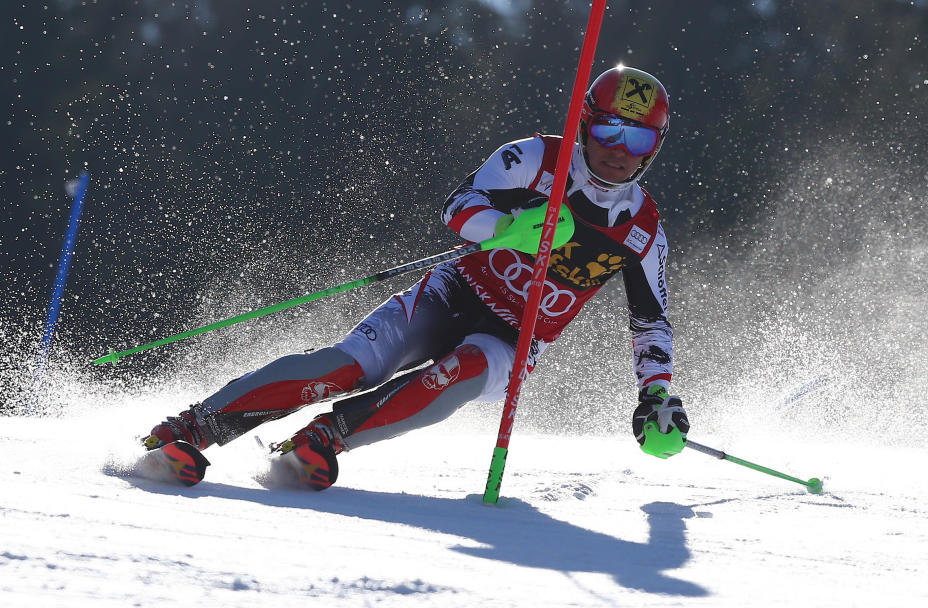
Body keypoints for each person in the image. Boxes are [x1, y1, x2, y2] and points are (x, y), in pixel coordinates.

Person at [144, 66, 690, 489]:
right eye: (608, 129)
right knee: (351, 366)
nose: (619, 151)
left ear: (656, 148)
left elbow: (650, 324)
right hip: (453, 292)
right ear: (585, 123)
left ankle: (324, 441)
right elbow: (457, 207)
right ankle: (192, 428)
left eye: (638, 140)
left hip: (513, 338)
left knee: (466, 370)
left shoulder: (644, 231)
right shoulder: (533, 159)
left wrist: (657, 395)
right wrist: (508, 227)